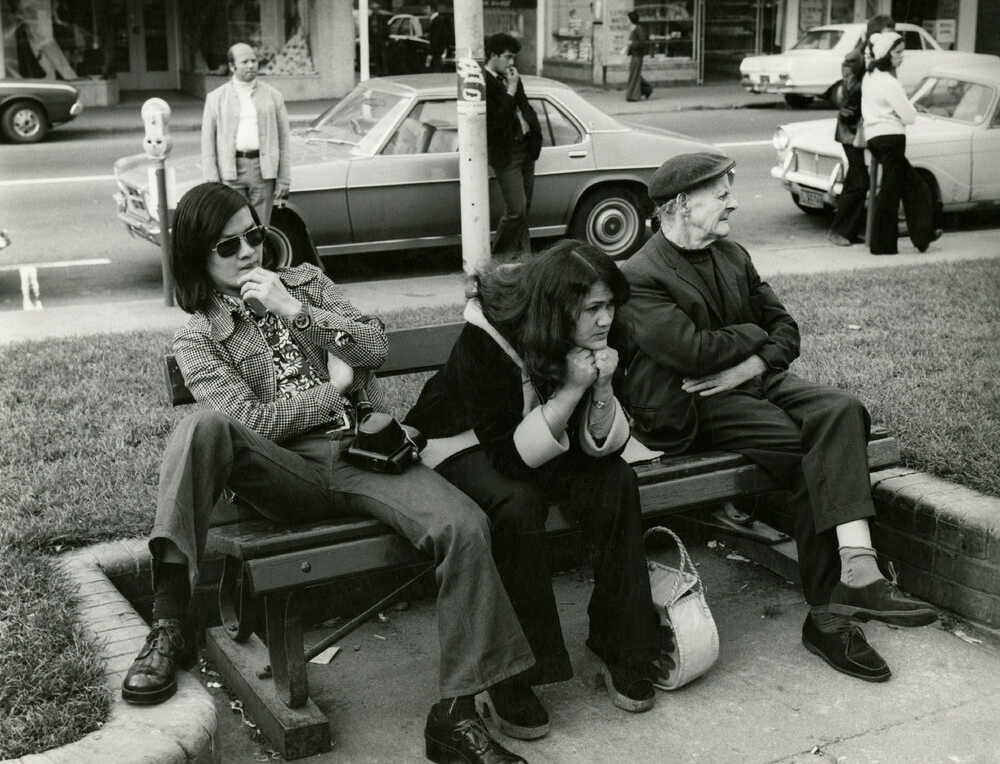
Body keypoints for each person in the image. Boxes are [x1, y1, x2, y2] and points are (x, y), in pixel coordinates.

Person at [120, 182, 535, 764]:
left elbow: (374, 347)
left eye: (253, 235)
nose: (247, 252)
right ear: (197, 257)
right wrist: (334, 388)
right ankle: (170, 622)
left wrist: (296, 312)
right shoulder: (198, 336)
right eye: (228, 245)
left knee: (464, 526)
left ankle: (454, 717)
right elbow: (251, 422)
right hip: (287, 471)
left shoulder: (307, 284)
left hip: (368, 453)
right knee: (200, 428)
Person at [616, 152, 939, 684]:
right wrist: (754, 335)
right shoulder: (639, 274)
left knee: (843, 410)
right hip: (689, 404)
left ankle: (859, 568)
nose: (734, 202)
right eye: (721, 194)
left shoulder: (732, 254)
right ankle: (829, 618)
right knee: (814, 452)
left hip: (752, 379)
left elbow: (786, 327)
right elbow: (693, 353)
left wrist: (752, 361)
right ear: (681, 204)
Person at [405, 240, 660, 741]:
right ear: (556, 308)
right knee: (516, 503)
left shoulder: (606, 331)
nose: (605, 319)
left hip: (542, 434)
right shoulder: (487, 336)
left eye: (610, 305)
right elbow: (507, 457)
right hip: (463, 439)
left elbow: (605, 446)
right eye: (593, 308)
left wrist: (601, 387)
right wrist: (572, 388)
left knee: (617, 481)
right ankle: (512, 675)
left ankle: (619, 645)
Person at [862, 32, 942, 255]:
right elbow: (910, 116)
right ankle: (885, 245)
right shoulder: (890, 82)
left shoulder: (870, 77)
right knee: (895, 191)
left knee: (911, 186)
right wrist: (901, 114)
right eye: (898, 52)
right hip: (892, 138)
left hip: (874, 137)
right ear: (887, 54)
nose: (902, 57)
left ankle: (922, 236)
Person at [201, 43, 290, 228]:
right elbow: (207, 143)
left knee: (260, 228)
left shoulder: (273, 96)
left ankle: (260, 248)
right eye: (245, 62)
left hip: (263, 171)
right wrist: (212, 181)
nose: (251, 65)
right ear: (232, 66)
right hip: (230, 172)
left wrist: (284, 178)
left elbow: (284, 141)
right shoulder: (216, 98)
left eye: (254, 61)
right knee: (233, 227)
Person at [828, 14, 895, 247]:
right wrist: (870, 74)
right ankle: (840, 231)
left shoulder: (879, 57)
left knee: (857, 179)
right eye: (887, 33)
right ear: (873, 34)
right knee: (859, 180)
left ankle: (847, 230)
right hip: (851, 128)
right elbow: (849, 89)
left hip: (865, 126)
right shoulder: (855, 57)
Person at [483, 33, 543, 257]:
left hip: (525, 148)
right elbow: (496, 122)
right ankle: (499, 257)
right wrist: (510, 90)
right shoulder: (484, 83)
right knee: (516, 209)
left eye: (513, 57)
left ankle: (523, 257)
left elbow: (524, 106)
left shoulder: (512, 78)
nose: (511, 62)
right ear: (493, 55)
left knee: (524, 209)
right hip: (506, 153)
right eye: (507, 57)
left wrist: (533, 129)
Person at [624, 10, 652, 103]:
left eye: (627, 19)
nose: (626, 20)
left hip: (638, 55)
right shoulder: (633, 29)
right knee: (634, 74)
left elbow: (642, 41)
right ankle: (647, 89)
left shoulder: (638, 28)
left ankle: (633, 95)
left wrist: (632, 44)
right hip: (634, 54)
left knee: (634, 74)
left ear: (631, 19)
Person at [424, 0, 449, 72]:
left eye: (427, 8)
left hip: (437, 54)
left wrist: (430, 53)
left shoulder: (437, 21)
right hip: (438, 53)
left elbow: (436, 39)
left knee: (436, 72)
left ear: (432, 9)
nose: (425, 11)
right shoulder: (436, 20)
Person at [369, 0, 389, 76]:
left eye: (376, 9)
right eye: (373, 9)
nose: (375, 10)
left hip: (381, 39)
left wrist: (387, 39)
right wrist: (370, 41)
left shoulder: (382, 18)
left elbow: (386, 29)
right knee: (376, 56)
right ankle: (379, 71)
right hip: (374, 39)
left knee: (383, 56)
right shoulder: (370, 18)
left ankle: (385, 71)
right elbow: (369, 29)